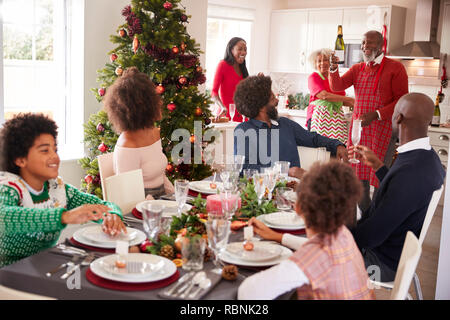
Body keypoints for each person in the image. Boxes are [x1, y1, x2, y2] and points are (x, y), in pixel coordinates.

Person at [0, 113, 126, 267]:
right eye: (45, 151)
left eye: (55, 149)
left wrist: (112, 215)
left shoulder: (58, 189)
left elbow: (103, 205)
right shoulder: (8, 188)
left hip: (44, 264)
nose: (55, 157)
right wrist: (64, 216)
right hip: (9, 273)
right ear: (20, 159)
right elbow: (3, 217)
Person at [238, 161, 374, 300]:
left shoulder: (311, 259)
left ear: (297, 207)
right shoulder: (343, 234)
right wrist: (277, 237)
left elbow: (248, 291)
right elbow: (318, 248)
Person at [349, 93, 445, 282]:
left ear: (399, 118)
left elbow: (371, 236)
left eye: (393, 113)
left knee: (313, 255)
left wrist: (332, 233)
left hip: (380, 264)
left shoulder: (411, 172)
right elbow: (399, 196)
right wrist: (378, 167)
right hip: (395, 254)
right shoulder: (427, 157)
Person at [329, 30, 409, 212]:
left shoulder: (395, 68)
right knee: (358, 175)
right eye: (363, 43)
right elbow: (337, 86)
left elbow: (402, 100)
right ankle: (364, 216)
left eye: (370, 43)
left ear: (381, 45)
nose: (365, 47)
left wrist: (377, 114)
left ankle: (381, 216)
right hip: (359, 129)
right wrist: (333, 69)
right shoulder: (358, 68)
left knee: (380, 175)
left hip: (383, 129)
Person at [233, 75, 348, 178]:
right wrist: (285, 171)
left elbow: (313, 138)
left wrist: (337, 145)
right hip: (262, 193)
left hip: (293, 190)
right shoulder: (244, 130)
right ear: (261, 106)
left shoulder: (285, 124)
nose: (277, 100)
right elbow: (244, 169)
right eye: (273, 98)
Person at [103, 67, 174, 199]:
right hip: (139, 210)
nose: (160, 101)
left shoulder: (154, 132)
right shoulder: (127, 144)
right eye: (155, 97)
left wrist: (176, 197)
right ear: (143, 106)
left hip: (161, 203)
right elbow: (128, 196)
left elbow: (161, 176)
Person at [306, 48, 355, 144]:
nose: (322, 63)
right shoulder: (313, 77)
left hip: (336, 118)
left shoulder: (335, 79)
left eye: (325, 60)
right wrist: (350, 100)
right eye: (318, 61)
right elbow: (324, 96)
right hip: (318, 117)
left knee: (338, 148)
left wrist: (356, 104)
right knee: (320, 148)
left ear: (330, 62)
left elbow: (343, 101)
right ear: (314, 64)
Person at [211, 37, 249, 122]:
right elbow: (214, 92)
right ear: (231, 50)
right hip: (227, 116)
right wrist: (222, 107)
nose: (243, 52)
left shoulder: (243, 68)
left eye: (245, 49)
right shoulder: (223, 65)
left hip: (243, 118)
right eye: (240, 49)